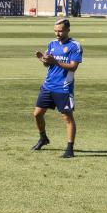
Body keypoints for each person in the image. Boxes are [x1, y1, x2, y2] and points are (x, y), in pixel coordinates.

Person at [32, 19, 81, 159]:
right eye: (55, 30)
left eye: (60, 31)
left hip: (63, 88)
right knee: (37, 114)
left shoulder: (74, 46)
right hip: (48, 85)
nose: (57, 33)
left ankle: (70, 148)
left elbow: (73, 67)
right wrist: (43, 60)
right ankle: (43, 138)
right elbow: (48, 65)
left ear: (67, 30)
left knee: (67, 118)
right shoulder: (52, 44)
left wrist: (55, 61)